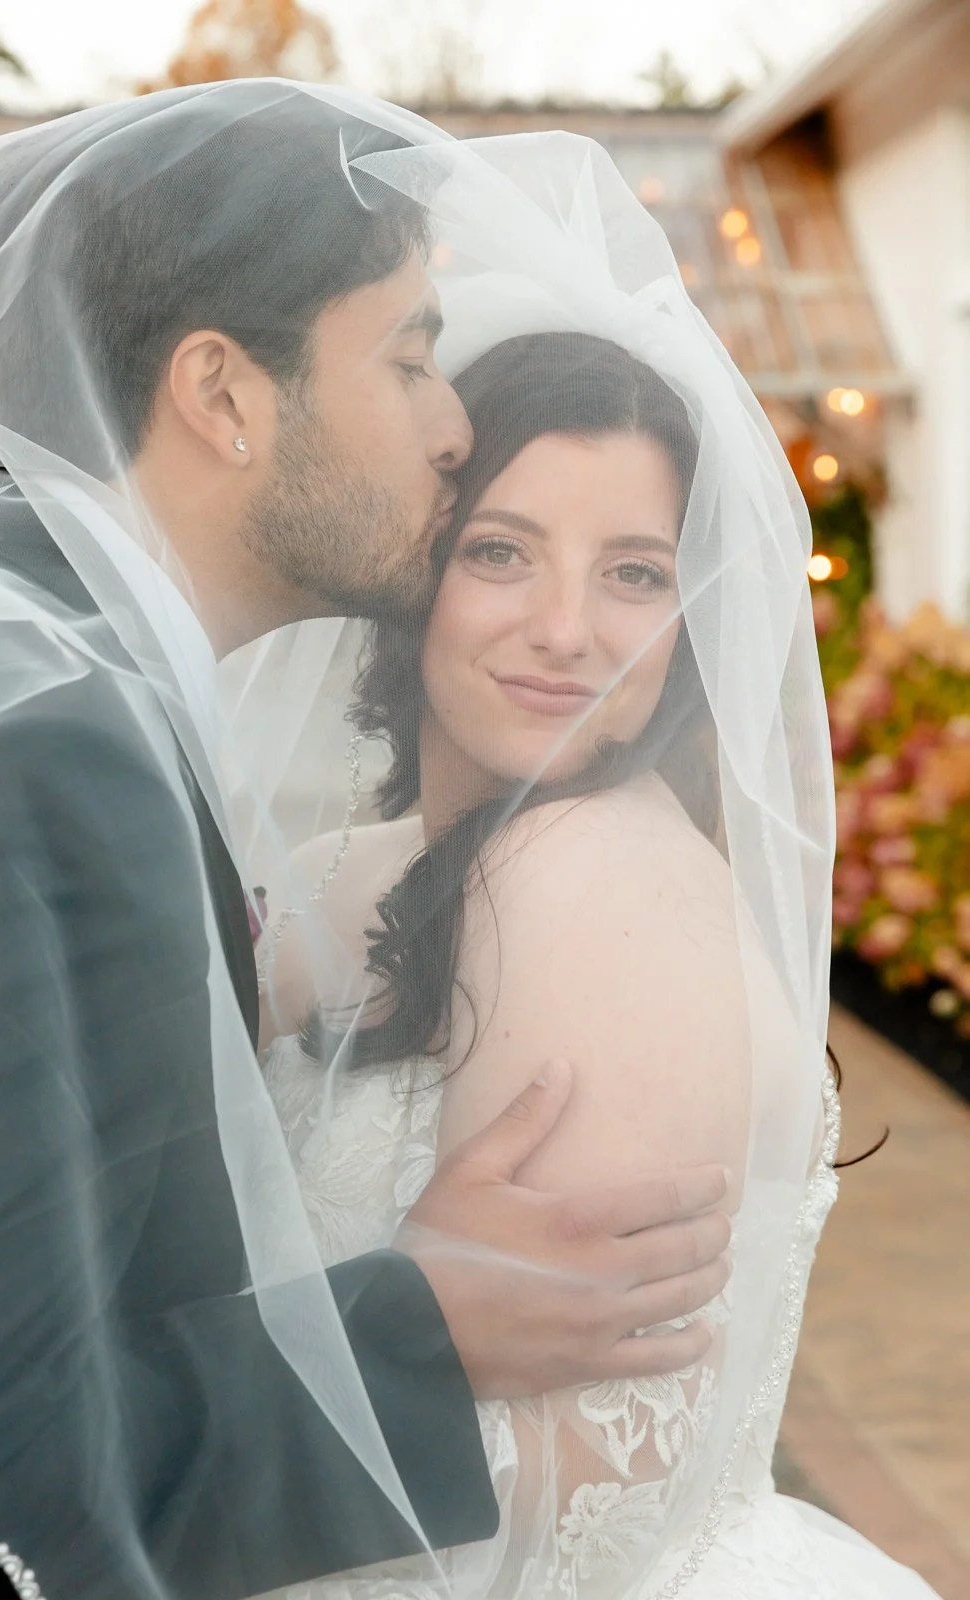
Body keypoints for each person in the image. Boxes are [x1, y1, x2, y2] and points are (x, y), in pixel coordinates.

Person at [0, 86, 733, 1600]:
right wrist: (412, 1318)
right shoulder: (39, 748)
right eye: (407, 356)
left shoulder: (42, 684)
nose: (452, 423)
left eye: (631, 573)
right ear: (223, 394)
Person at [248, 337, 941, 1591]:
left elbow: (573, 1505)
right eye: (500, 551)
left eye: (634, 572)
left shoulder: (590, 882)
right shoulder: (354, 865)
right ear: (417, 566)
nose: (564, 632)